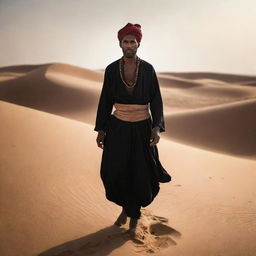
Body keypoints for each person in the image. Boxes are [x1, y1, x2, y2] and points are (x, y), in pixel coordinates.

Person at [94, 22, 171, 235]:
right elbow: (105, 100)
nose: (129, 45)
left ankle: (134, 215)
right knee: (116, 170)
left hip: (142, 128)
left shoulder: (147, 69)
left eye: (133, 42)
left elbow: (156, 100)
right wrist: (101, 129)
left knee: (140, 172)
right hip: (117, 127)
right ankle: (125, 209)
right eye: (125, 41)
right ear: (120, 44)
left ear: (138, 44)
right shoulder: (111, 69)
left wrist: (156, 127)